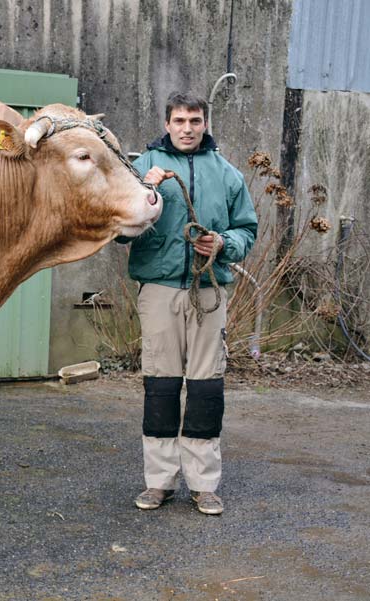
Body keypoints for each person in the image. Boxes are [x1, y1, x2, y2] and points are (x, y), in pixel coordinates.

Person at [117, 92, 258, 515]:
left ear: (205, 124)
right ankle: (158, 482)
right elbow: (121, 229)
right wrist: (146, 189)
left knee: (205, 387)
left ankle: (203, 485)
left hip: (210, 290)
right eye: (179, 120)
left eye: (195, 121)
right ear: (168, 123)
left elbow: (247, 230)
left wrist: (223, 243)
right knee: (160, 385)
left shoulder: (227, 174)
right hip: (159, 289)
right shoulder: (143, 168)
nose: (187, 128)